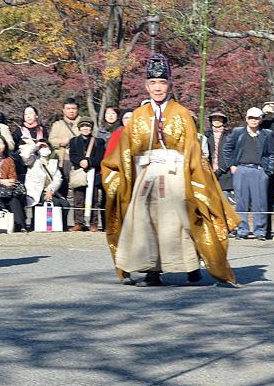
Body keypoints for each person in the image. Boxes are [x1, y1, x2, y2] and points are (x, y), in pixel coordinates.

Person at [101, 52, 240, 287]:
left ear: (170, 84)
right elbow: (125, 152)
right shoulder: (137, 116)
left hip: (177, 171)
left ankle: (191, 266)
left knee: (181, 219)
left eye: (162, 82)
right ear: (146, 86)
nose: (158, 88)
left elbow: (192, 149)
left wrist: (197, 176)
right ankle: (151, 270)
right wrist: (119, 176)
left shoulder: (182, 113)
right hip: (146, 173)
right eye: (153, 83)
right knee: (144, 219)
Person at [222, 107, 274, 240]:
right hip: (241, 169)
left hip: (259, 171)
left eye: (256, 118)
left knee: (260, 203)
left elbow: (272, 154)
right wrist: (232, 166)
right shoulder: (238, 132)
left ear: (260, 119)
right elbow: (227, 149)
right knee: (241, 202)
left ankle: (260, 232)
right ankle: (242, 230)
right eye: (251, 118)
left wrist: (268, 171)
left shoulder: (267, 134)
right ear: (246, 119)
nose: (253, 120)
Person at [20, 138, 69, 230]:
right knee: (55, 203)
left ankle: (61, 225)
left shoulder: (53, 162)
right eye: (41, 147)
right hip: (36, 191)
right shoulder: (33, 160)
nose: (43, 148)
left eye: (45, 146)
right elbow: (24, 155)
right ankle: (45, 224)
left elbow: (58, 178)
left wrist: (50, 189)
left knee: (65, 204)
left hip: (49, 191)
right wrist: (36, 146)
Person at [68, 117, 104, 232]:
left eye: (88, 126)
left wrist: (89, 162)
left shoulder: (99, 141)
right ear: (79, 128)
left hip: (94, 172)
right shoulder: (74, 141)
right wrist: (81, 162)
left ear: (91, 128)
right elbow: (72, 156)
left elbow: (100, 157)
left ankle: (94, 223)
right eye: (83, 126)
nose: (85, 128)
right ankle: (79, 222)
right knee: (78, 198)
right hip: (79, 172)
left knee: (94, 198)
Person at [49, 97, 85, 197]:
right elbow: (51, 141)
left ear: (77, 109)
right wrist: (61, 142)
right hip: (62, 161)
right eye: (68, 109)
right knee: (60, 192)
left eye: (73, 108)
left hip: (78, 162)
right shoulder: (57, 124)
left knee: (79, 193)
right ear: (63, 110)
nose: (71, 111)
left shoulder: (84, 123)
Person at [204, 109, 233, 201]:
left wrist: (221, 169)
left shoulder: (230, 135)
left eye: (219, 118)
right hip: (209, 172)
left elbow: (231, 153)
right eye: (214, 118)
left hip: (225, 173)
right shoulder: (206, 136)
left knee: (225, 202)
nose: (217, 120)